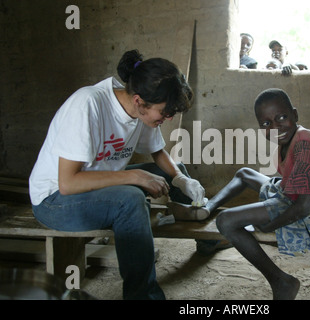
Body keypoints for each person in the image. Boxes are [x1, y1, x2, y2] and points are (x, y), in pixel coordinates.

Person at [29, 49, 207, 300]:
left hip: (93, 187)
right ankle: (143, 296)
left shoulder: (141, 111)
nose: (167, 119)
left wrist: (180, 179)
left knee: (170, 171)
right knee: (130, 199)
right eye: (165, 113)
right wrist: (134, 178)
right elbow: (68, 183)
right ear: (138, 100)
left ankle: (209, 239)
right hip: (54, 200)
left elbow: (158, 152)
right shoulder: (89, 103)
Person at [171, 88, 310, 299]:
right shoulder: (290, 141)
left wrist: (270, 226)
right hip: (292, 196)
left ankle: (281, 281)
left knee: (226, 222)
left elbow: (306, 205)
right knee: (244, 174)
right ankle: (206, 208)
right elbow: (291, 188)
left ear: (295, 115)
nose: (275, 127)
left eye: (282, 117)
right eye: (266, 124)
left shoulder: (303, 145)